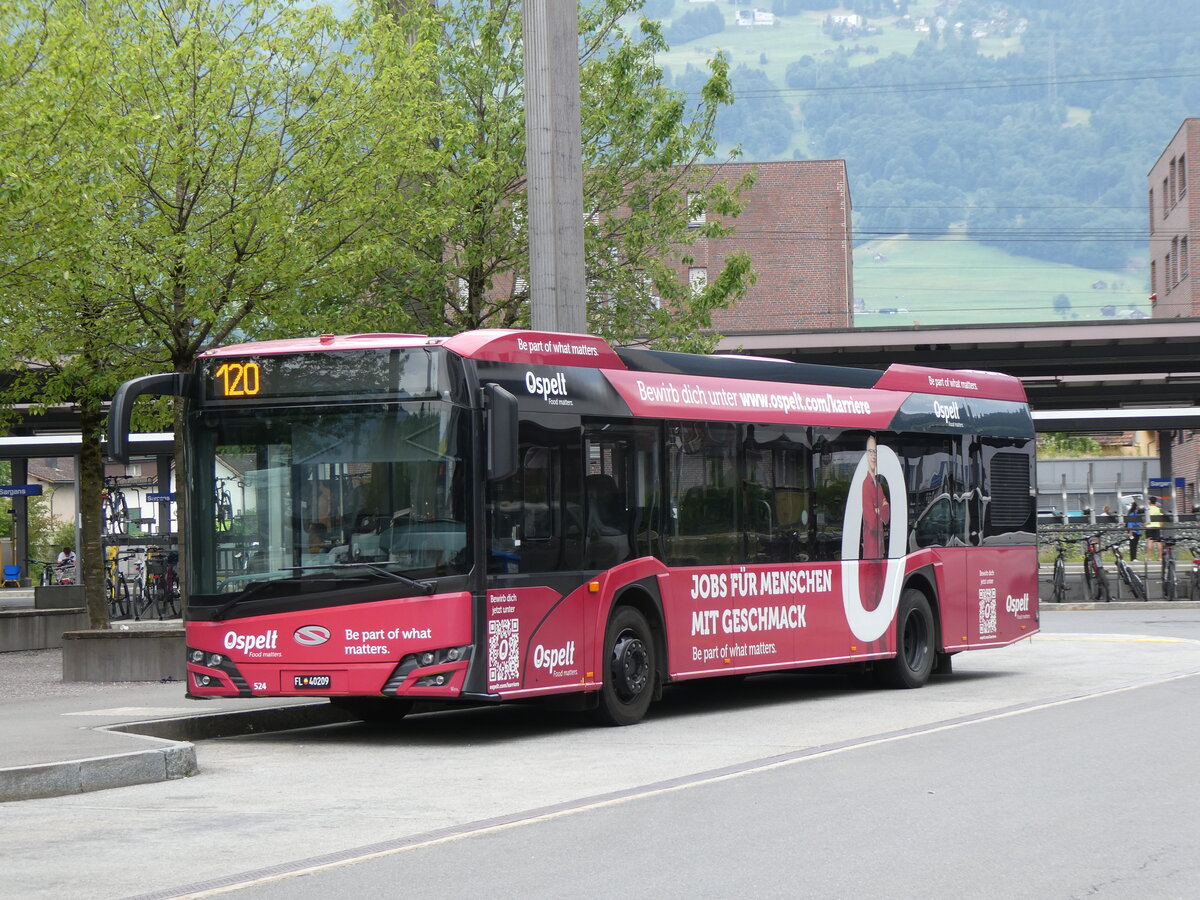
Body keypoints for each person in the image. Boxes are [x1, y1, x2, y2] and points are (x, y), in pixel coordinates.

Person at [1146, 496, 1164, 562]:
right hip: (1157, 526)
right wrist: (1160, 526)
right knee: (1158, 542)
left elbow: (1145, 519)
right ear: (1155, 502)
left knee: (1150, 541)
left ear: (1150, 501)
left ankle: (1150, 558)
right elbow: (1161, 519)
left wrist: (1145, 525)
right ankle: (1160, 557)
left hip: (1149, 526)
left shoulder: (1147, 510)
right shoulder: (1158, 509)